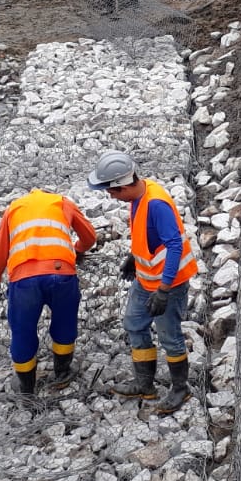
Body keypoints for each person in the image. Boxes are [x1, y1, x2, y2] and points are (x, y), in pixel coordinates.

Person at [87, 149, 198, 414]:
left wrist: (164, 289)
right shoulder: (138, 198)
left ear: (123, 185)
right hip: (146, 279)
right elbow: (147, 236)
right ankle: (144, 383)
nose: (110, 196)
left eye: (111, 191)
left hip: (167, 284)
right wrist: (133, 258)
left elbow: (173, 246)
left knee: (169, 337)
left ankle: (181, 389)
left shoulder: (156, 203)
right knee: (134, 324)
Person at [0, 188, 98, 393]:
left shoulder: (14, 208)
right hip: (62, 274)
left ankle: (27, 387)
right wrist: (79, 250)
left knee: (23, 331)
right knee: (65, 322)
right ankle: (62, 372)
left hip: (24, 279)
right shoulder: (62, 202)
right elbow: (90, 236)